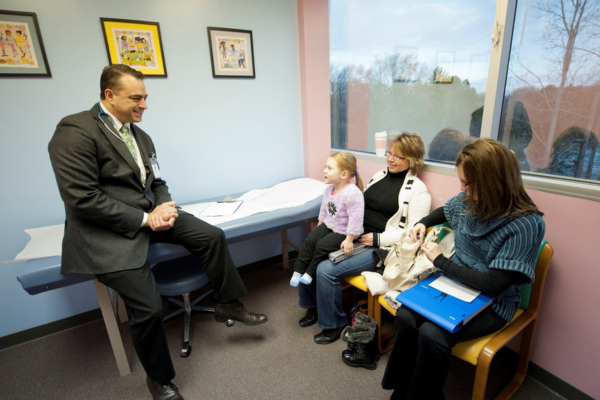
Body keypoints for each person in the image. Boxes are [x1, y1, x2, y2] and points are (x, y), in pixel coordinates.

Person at [48, 64, 267, 400]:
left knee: (212, 236)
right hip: (105, 230)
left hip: (150, 214)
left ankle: (227, 302)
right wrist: (144, 219)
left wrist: (163, 208)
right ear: (109, 95)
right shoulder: (76, 130)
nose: (145, 105)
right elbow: (81, 199)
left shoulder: (140, 135)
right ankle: (159, 379)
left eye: (145, 97)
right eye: (136, 98)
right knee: (149, 308)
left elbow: (157, 182)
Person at [381, 138, 545, 399]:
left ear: (494, 182)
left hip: (493, 301)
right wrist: (424, 222)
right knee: (405, 317)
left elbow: (495, 284)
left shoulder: (524, 225)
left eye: (467, 183)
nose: (462, 189)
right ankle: (403, 391)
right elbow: (445, 211)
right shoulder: (468, 201)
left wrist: (440, 261)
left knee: (432, 333)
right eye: (462, 181)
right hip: (454, 285)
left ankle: (421, 395)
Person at [298, 133, 431, 344]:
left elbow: (412, 234)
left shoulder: (418, 191)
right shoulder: (378, 176)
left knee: (325, 270)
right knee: (310, 249)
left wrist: (378, 239)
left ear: (412, 161)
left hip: (377, 247)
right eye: (390, 153)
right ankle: (312, 306)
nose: (390, 159)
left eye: (398, 156)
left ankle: (333, 323)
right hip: (352, 233)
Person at [290, 151, 365, 287]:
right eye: (325, 167)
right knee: (310, 240)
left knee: (321, 246)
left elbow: (356, 219)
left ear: (344, 174)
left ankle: (310, 272)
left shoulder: (353, 193)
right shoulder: (329, 189)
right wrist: (319, 225)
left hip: (344, 231)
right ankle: (298, 270)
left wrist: (349, 240)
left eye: (329, 168)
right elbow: (324, 209)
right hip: (330, 224)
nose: (325, 171)